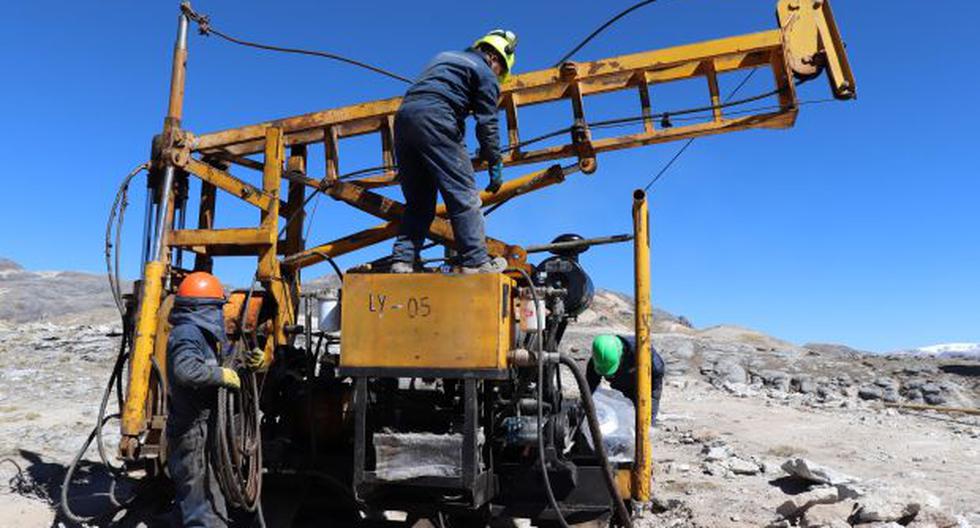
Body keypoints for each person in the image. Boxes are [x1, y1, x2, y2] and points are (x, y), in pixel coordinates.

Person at [389, 29, 518, 274]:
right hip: (437, 119)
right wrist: (494, 160)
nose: (498, 76)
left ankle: (403, 261)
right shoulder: (485, 73)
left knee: (418, 203)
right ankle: (476, 262)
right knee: (464, 194)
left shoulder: (445, 57)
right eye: (501, 71)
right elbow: (487, 122)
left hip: (404, 121)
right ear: (496, 59)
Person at [166, 272, 258, 527]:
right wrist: (221, 375)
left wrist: (247, 362)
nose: (220, 314)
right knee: (202, 505)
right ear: (205, 308)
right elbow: (185, 370)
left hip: (202, 428)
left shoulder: (201, 335)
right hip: (192, 431)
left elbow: (224, 359)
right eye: (218, 308)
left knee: (198, 494)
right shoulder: (187, 333)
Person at [587, 334, 666, 424]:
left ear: (620, 354)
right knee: (624, 413)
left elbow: (657, 373)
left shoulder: (642, 351)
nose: (608, 376)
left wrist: (649, 414)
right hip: (622, 383)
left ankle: (645, 431)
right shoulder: (599, 360)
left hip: (645, 383)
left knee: (645, 416)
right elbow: (588, 390)